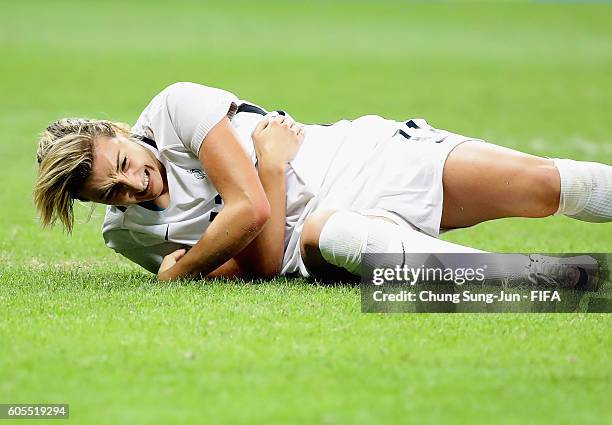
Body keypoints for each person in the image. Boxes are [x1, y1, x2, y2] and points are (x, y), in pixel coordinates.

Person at [33, 82, 611, 286]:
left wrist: (183, 267)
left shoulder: (175, 106)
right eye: (111, 194)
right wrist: (270, 168)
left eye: (124, 162)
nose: (133, 184)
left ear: (117, 132)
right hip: (306, 244)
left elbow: (252, 211)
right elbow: (256, 267)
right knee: (330, 234)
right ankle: (562, 283)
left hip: (363, 159)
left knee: (544, 187)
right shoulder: (128, 236)